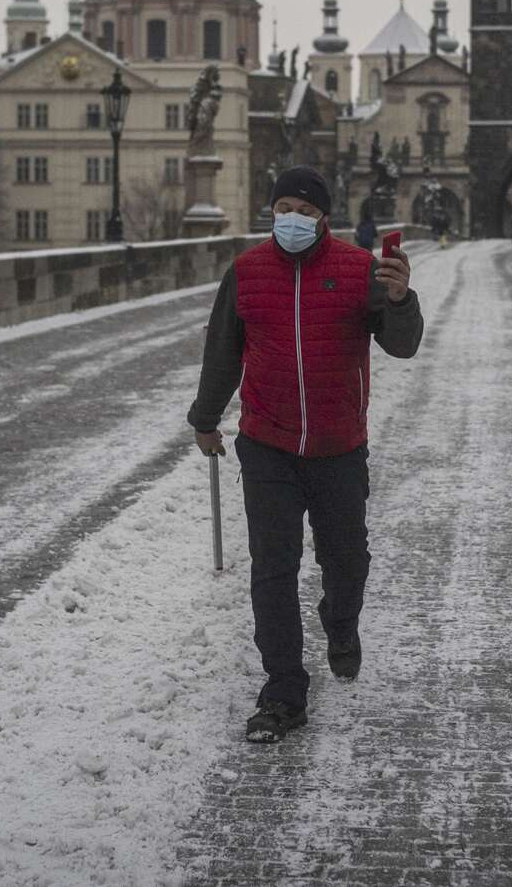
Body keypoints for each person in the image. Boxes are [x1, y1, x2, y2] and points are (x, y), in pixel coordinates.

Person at [188, 166, 425, 744]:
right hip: (267, 445)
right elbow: (223, 351)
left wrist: (399, 297)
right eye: (281, 206)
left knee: (347, 559)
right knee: (273, 569)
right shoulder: (245, 272)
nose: (289, 217)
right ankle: (284, 692)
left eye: (302, 207)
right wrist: (204, 418)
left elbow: (403, 344)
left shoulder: (358, 269)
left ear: (323, 215)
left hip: (338, 445)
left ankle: (341, 625)